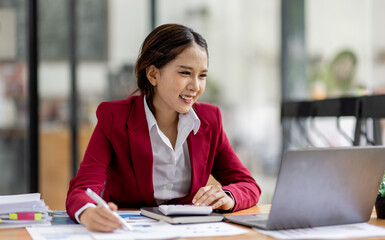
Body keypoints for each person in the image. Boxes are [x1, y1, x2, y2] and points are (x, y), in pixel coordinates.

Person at [66, 23, 261, 232]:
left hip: (189, 233)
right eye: (185, 73)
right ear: (153, 75)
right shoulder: (115, 118)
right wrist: (88, 212)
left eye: (202, 75)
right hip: (126, 233)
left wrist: (228, 197)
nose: (196, 86)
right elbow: (82, 190)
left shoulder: (209, 120)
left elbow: (248, 185)